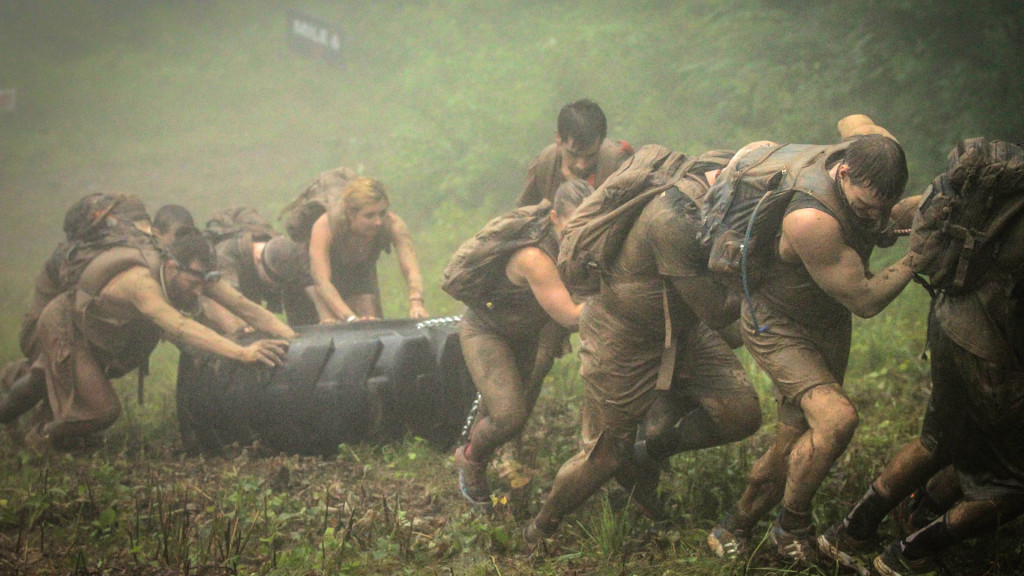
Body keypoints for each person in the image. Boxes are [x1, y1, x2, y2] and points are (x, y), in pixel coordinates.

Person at [523, 150, 763, 549]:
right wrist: (763, 275)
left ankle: (648, 452)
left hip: (681, 327)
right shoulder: (672, 219)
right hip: (623, 336)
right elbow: (717, 311)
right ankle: (541, 527)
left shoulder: (711, 190)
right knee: (603, 456)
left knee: (741, 413)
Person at [705, 132, 916, 563]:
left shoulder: (867, 157)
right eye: (863, 209)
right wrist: (919, 256)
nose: (875, 221)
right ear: (843, 172)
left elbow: (852, 119)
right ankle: (792, 529)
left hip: (824, 321)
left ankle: (735, 524)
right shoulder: (809, 219)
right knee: (837, 420)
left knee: (796, 438)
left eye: (882, 210)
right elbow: (864, 300)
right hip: (778, 325)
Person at [818, 140, 1024, 576]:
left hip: (949, 319)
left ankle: (852, 529)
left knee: (937, 440)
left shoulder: (984, 179)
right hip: (988, 345)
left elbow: (912, 212)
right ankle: (912, 554)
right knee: (1014, 483)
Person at [1, 223, 295, 452]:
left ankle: (13, 395)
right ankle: (40, 436)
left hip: (106, 336)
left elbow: (245, 307)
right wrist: (244, 353)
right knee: (101, 411)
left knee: (39, 378)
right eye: (193, 282)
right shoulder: (140, 283)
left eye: (204, 283)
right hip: (69, 327)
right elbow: (180, 326)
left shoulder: (196, 276)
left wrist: (293, 339)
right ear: (170, 267)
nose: (198, 291)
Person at [454, 180, 591, 505]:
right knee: (509, 416)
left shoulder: (583, 245)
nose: (581, 236)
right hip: (487, 331)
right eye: (574, 226)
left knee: (511, 416)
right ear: (556, 218)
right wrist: (619, 298)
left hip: (526, 335)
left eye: (590, 226)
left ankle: (482, 457)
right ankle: (470, 459)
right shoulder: (534, 256)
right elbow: (571, 316)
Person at [308, 177, 428, 322]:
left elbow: (411, 269)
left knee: (372, 320)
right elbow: (322, 281)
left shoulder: (393, 224)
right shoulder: (325, 226)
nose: (378, 222)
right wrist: (350, 318)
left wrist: (417, 303)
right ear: (351, 214)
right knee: (329, 321)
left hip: (358, 270)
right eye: (369, 216)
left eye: (382, 213)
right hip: (309, 276)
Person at [515, 99, 633, 207]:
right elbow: (524, 213)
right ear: (559, 138)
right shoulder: (545, 163)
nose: (582, 165)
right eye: (573, 155)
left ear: (601, 141)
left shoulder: (618, 165)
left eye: (590, 156)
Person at [214, 227, 329, 327]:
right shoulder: (225, 258)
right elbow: (229, 300)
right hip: (223, 290)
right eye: (272, 280)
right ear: (259, 259)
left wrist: (325, 316)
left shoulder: (284, 249)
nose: (275, 287)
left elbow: (308, 282)